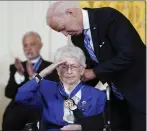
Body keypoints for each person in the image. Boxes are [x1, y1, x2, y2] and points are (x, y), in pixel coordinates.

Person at [46, 2, 146, 131]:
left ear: (70, 12)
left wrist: (94, 72)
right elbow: (91, 70)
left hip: (141, 92)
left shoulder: (109, 17)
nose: (66, 34)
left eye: (63, 28)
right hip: (119, 99)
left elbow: (130, 54)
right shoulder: (77, 38)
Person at [15, 45, 106, 131]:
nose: (69, 71)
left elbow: (100, 124)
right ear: (57, 70)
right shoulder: (46, 89)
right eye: (64, 67)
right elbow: (21, 97)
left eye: (73, 67)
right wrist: (42, 74)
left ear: (82, 70)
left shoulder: (97, 95)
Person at [2, 31, 59, 130]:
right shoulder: (16, 68)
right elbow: (9, 93)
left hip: (40, 107)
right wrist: (19, 74)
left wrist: (34, 76)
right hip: (18, 109)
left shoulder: (51, 67)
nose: (28, 49)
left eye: (32, 44)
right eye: (25, 45)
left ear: (40, 45)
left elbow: (53, 93)